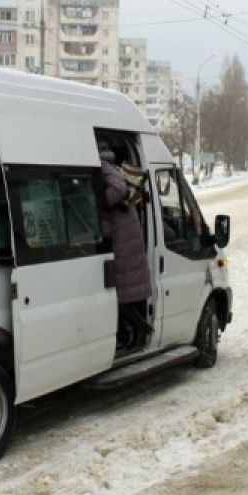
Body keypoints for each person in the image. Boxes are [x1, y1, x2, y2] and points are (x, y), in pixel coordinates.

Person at [99, 144, 153, 350]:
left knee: (119, 294)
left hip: (122, 238)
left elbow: (119, 188)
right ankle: (133, 333)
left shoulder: (103, 166)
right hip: (126, 232)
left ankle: (139, 330)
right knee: (122, 294)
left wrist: (100, 201)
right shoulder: (110, 165)